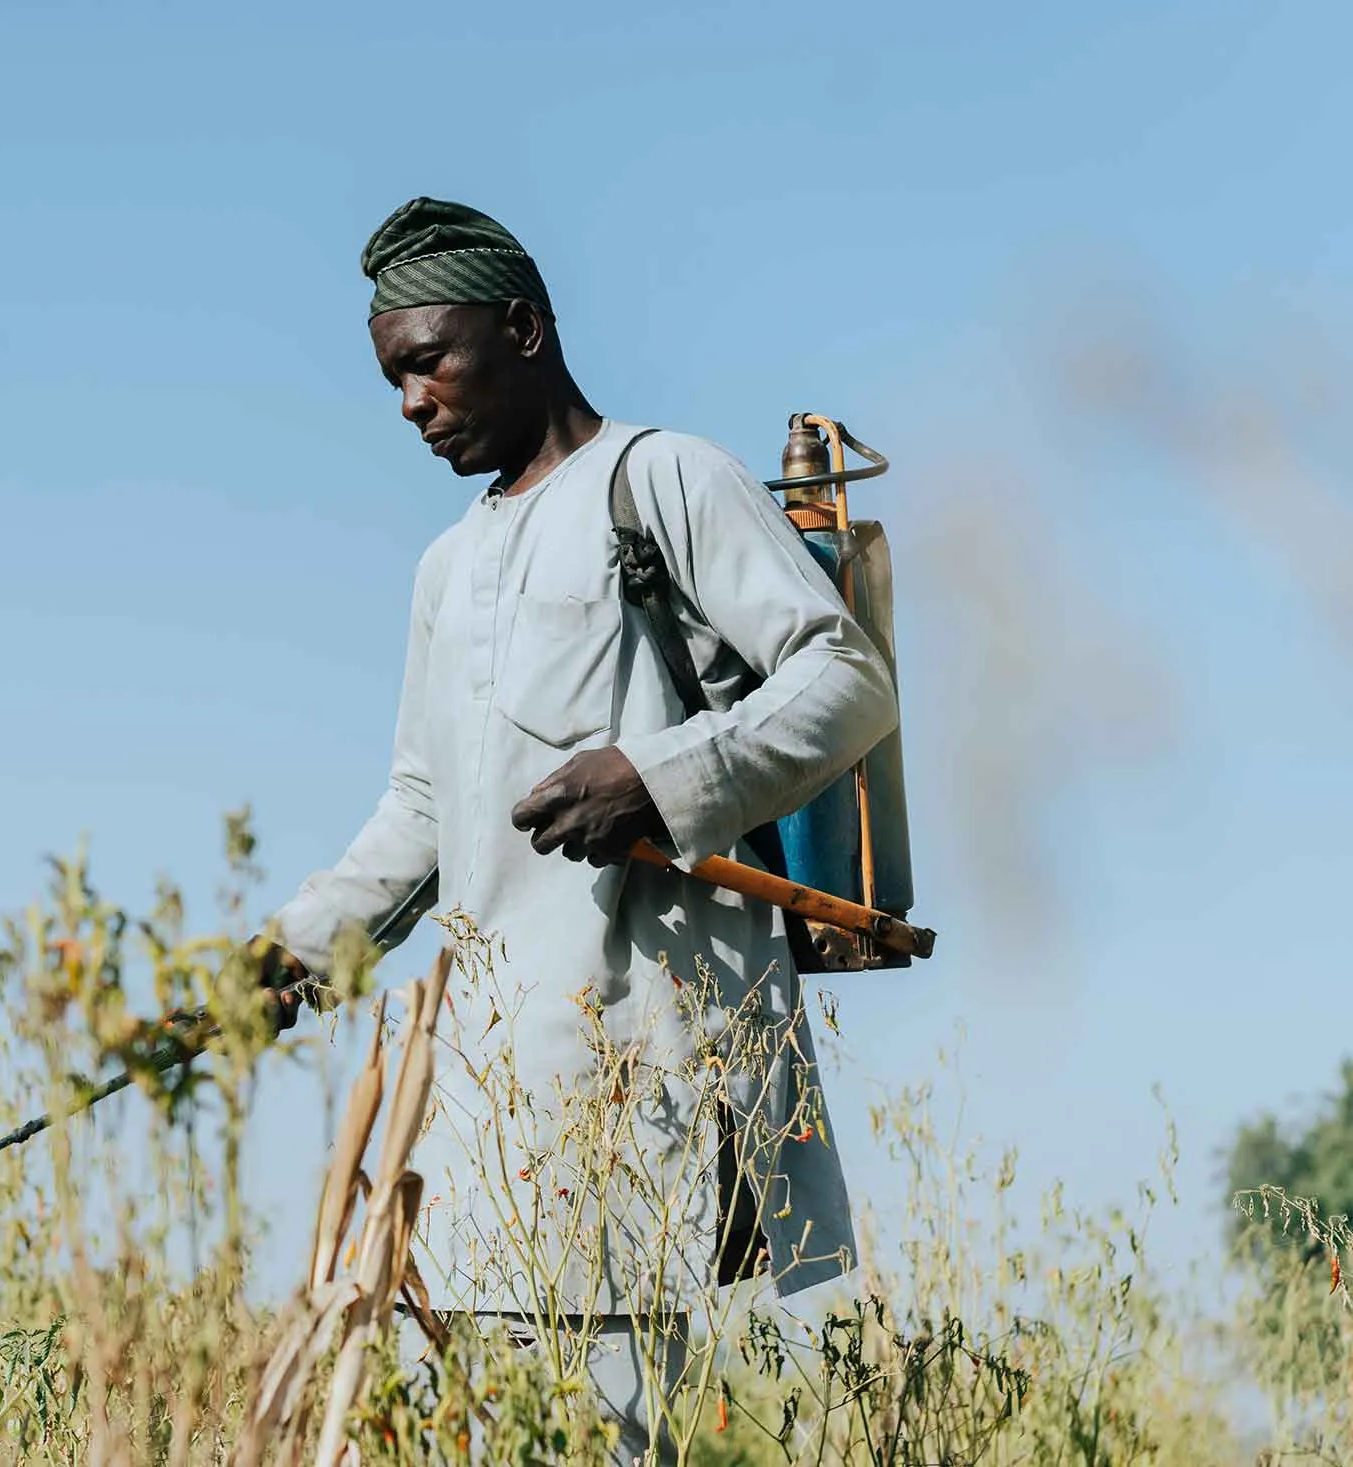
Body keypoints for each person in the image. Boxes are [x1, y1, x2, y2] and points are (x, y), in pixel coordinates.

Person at [252, 197, 899, 1461]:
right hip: (485, 1110)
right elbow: (425, 808)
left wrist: (656, 776)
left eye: (428, 360)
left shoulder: (661, 481)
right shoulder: (445, 567)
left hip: (637, 1071)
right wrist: (283, 955)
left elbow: (847, 680)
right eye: (391, 378)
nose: (410, 401)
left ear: (524, 329)